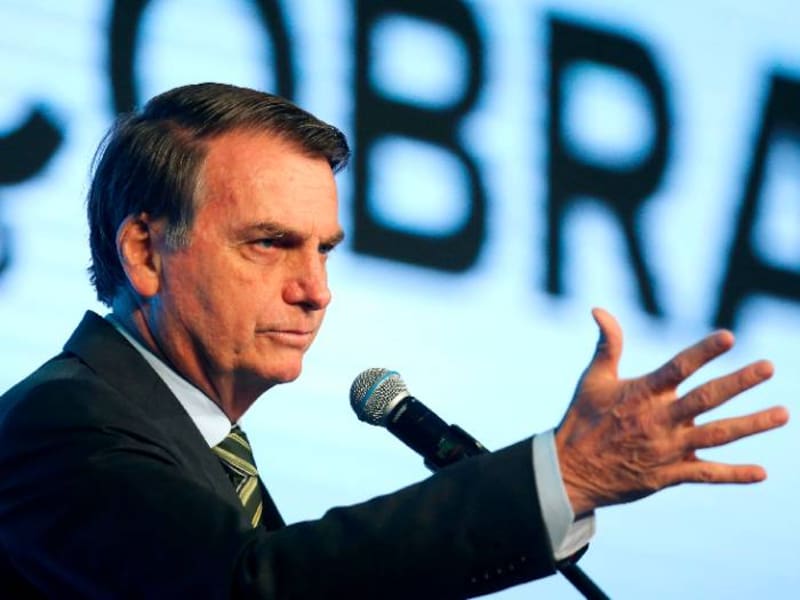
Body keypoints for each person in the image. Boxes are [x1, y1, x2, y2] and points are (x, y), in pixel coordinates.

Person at [0, 82, 788, 599]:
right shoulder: (63, 424)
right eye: (270, 243)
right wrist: (567, 474)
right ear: (145, 251)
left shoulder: (191, 446)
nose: (315, 290)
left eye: (324, 250)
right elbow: (252, 588)